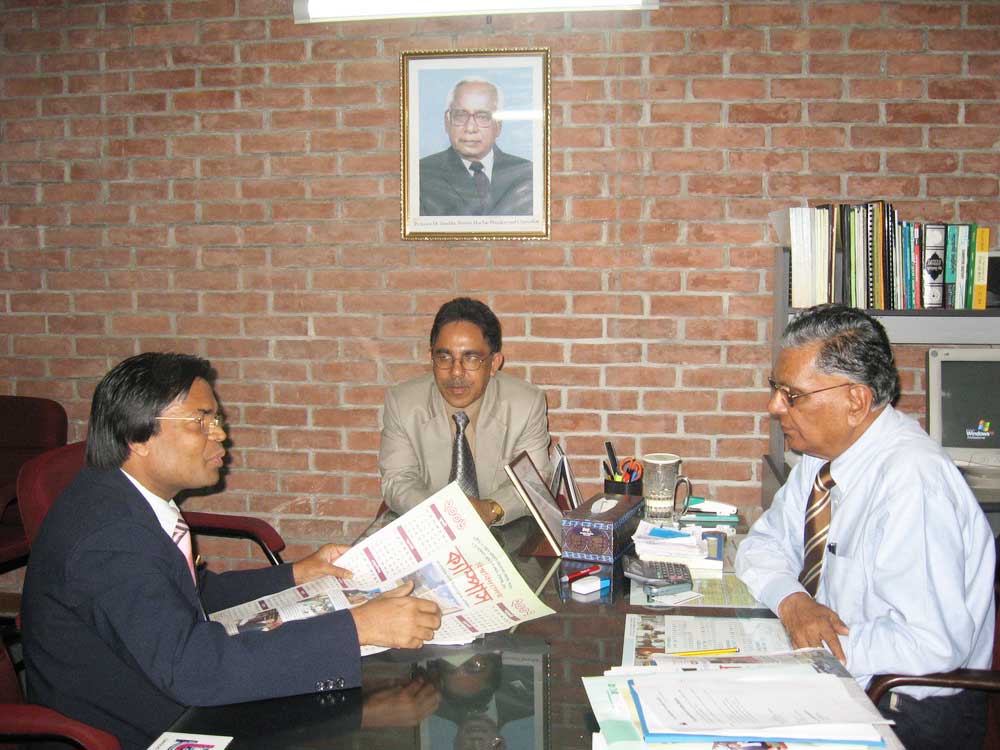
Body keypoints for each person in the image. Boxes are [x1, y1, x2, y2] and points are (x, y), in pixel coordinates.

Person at [21, 352, 442, 750]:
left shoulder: (127, 497)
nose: (220, 433)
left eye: (216, 419)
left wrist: (298, 574)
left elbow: (188, 593)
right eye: (200, 421)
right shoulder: (110, 539)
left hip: (172, 688)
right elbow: (196, 670)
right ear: (137, 436)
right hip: (147, 727)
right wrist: (358, 628)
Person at [735, 304, 995, 750]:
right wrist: (794, 603)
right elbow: (762, 545)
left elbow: (931, 643)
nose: (774, 406)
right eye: (776, 388)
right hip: (844, 681)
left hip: (903, 707)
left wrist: (815, 645)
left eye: (791, 394)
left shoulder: (913, 482)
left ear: (855, 401)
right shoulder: (821, 458)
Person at [379, 297, 551, 526]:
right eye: (444, 357)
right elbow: (398, 480)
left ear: (494, 363)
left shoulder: (526, 405)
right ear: (431, 358)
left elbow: (533, 482)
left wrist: (490, 509)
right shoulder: (402, 403)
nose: (456, 372)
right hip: (430, 525)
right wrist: (444, 515)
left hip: (501, 529)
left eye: (471, 358)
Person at [419, 78, 533, 217]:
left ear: (498, 125)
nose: (470, 128)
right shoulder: (421, 175)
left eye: (483, 117)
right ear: (447, 122)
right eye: (460, 115)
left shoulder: (526, 173)